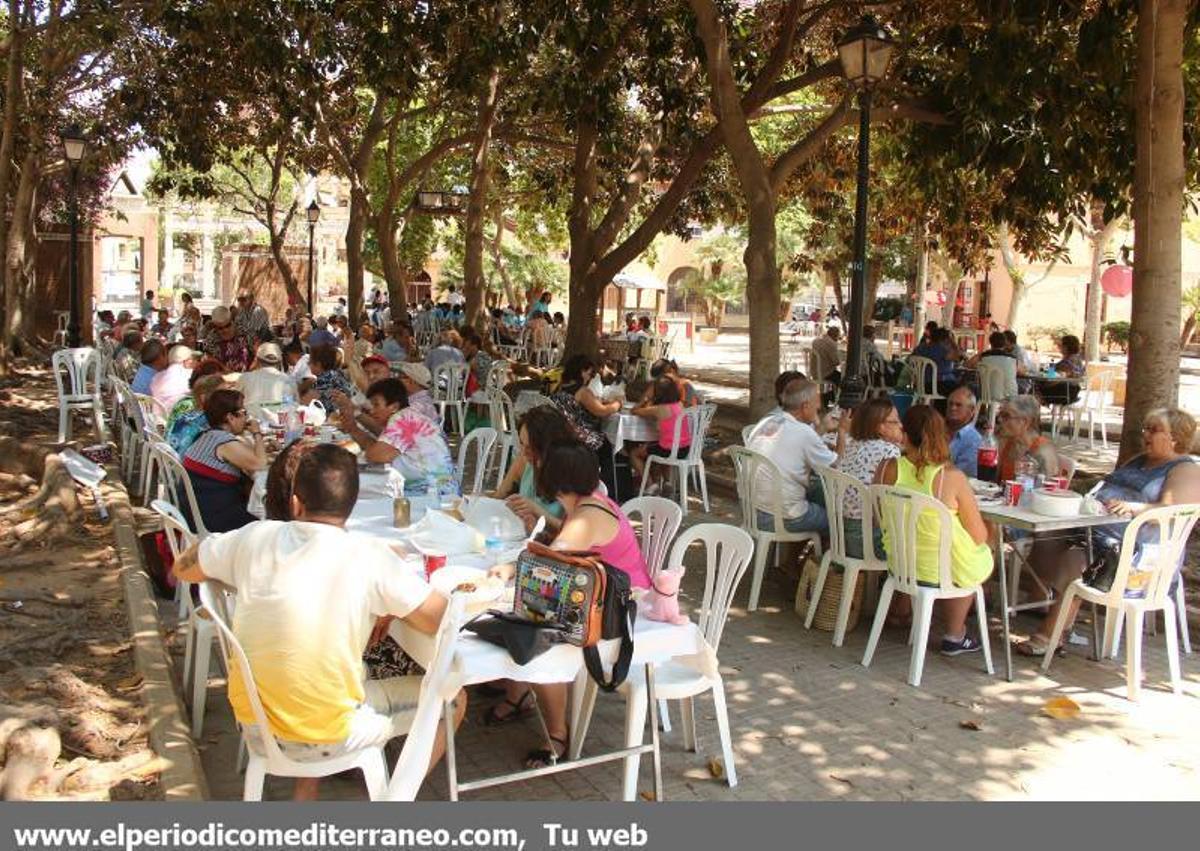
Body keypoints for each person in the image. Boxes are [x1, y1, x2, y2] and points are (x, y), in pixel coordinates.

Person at [171, 443, 464, 799]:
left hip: (255, 724)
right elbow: (439, 621)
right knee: (454, 697)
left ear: (296, 502)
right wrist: (389, 605)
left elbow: (183, 567)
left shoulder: (253, 537)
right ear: (352, 505)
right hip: (331, 732)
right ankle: (396, 802)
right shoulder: (369, 556)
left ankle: (304, 793)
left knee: (323, 674)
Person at [486, 441, 649, 767]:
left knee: (541, 637)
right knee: (529, 613)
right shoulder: (591, 502)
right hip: (612, 595)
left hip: (624, 610)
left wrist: (507, 570)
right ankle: (517, 693)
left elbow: (548, 567)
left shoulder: (586, 517)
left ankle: (558, 735)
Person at [1015, 408, 1200, 656]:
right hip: (1098, 534)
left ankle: (1052, 634)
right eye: (1146, 428)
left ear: (1176, 437)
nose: (1145, 434)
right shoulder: (1138, 460)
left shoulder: (1185, 470)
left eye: (1154, 430)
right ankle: (1045, 603)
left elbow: (1174, 511)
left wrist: (1135, 508)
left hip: (1137, 556)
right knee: (1048, 536)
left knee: (1077, 558)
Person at [873, 405, 993, 653]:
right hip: (938, 568)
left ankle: (937, 623)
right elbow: (979, 536)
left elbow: (879, 517)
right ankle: (955, 633)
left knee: (953, 552)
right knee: (979, 551)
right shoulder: (951, 477)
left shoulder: (886, 468)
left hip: (900, 564)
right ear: (943, 436)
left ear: (905, 433)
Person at [747, 378, 847, 534]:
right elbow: (837, 466)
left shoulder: (767, 421)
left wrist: (820, 427)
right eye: (817, 404)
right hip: (780, 516)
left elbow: (799, 444)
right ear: (805, 406)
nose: (819, 407)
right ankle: (820, 556)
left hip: (751, 508)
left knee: (811, 496)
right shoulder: (803, 432)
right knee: (838, 521)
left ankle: (791, 557)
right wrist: (842, 431)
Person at [334, 378, 455, 489]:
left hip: (432, 490)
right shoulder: (408, 416)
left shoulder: (403, 418)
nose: (372, 410)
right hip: (434, 485)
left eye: (376, 404)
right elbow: (379, 443)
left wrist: (354, 429)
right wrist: (353, 428)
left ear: (394, 406)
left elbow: (376, 455)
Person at [181, 388, 266, 532]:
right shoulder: (223, 442)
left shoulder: (209, 435)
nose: (247, 418)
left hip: (196, 509)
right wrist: (257, 433)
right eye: (243, 413)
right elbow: (259, 463)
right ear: (230, 418)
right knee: (269, 519)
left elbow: (246, 455)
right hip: (211, 518)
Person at [834, 398, 902, 558]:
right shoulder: (889, 452)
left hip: (843, 535)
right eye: (895, 421)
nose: (901, 426)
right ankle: (891, 582)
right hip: (868, 540)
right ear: (880, 427)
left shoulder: (852, 446)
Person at [494, 405, 572, 534]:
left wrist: (537, 511)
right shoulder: (524, 461)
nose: (523, 452)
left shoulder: (572, 472)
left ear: (549, 447)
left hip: (555, 547)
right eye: (521, 444)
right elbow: (498, 497)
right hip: (522, 540)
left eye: (530, 447)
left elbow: (574, 533)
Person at [630, 376, 692, 494]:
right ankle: (667, 482)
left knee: (635, 454)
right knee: (663, 444)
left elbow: (634, 410)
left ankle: (651, 485)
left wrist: (646, 397)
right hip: (684, 449)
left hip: (668, 450)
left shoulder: (658, 409)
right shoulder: (680, 405)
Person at [996, 395, 1059, 483]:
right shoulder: (1007, 443)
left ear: (1025, 422)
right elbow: (997, 483)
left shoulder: (1043, 451)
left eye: (1006, 416)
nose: (999, 420)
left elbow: (1046, 492)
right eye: (999, 415)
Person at [167, 370, 227, 456]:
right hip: (185, 466)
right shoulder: (207, 423)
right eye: (221, 395)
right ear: (203, 398)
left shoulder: (185, 416)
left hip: (173, 464)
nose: (227, 398)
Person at [238, 342, 296, 418]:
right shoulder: (287, 380)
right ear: (279, 362)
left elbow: (237, 401)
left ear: (257, 360)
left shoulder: (245, 378)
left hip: (251, 423)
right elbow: (289, 406)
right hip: (278, 424)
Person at [945, 385, 981, 477]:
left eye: (958, 405)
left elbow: (961, 474)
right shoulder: (937, 431)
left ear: (971, 410)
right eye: (950, 404)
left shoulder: (973, 440)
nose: (953, 408)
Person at [149, 344, 196, 413]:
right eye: (191, 359)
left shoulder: (156, 377)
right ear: (186, 361)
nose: (194, 362)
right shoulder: (190, 374)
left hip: (158, 417)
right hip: (178, 417)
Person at [305, 344, 354, 411]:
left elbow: (318, 408)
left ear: (318, 364)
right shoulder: (338, 373)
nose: (308, 364)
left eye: (310, 362)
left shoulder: (323, 380)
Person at [203, 306, 252, 371]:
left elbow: (255, 351)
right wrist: (224, 368)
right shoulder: (211, 339)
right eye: (220, 328)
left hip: (247, 374)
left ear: (232, 320)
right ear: (215, 327)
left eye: (228, 325)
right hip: (224, 376)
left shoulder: (243, 331)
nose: (225, 330)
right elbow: (210, 359)